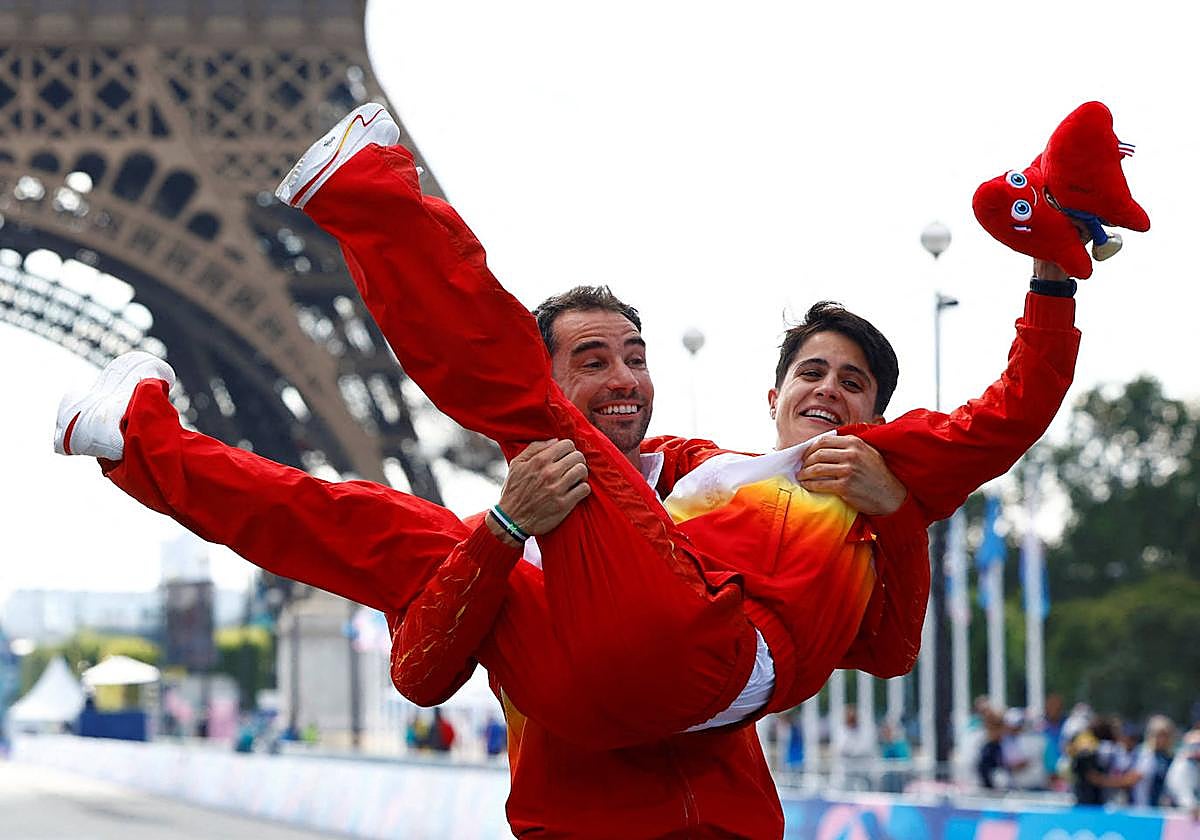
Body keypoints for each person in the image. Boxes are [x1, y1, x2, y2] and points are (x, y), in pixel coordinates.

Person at [54, 103, 1082, 838]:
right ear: (772, 394)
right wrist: (503, 532)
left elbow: (1000, 435)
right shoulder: (608, 496)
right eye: (593, 361)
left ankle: (368, 200)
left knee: (503, 462)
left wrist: (900, 502)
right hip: (584, 725)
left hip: (696, 685)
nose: (627, 379)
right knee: (367, 521)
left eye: (636, 356)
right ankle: (139, 442)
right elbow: (418, 672)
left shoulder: (811, 475)